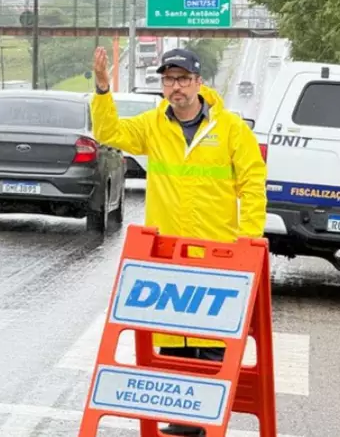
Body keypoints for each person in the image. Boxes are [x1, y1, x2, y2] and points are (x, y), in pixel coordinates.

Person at [90, 46, 267, 437]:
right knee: (171, 334)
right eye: (169, 80)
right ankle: (181, 418)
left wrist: (249, 238)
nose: (176, 87)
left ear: (199, 82)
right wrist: (102, 90)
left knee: (214, 340)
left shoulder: (230, 129)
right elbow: (108, 133)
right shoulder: (154, 125)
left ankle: (204, 419)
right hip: (168, 254)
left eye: (183, 79)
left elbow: (253, 184)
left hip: (218, 253)